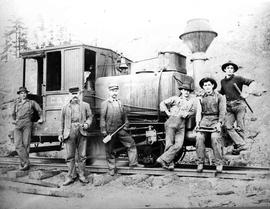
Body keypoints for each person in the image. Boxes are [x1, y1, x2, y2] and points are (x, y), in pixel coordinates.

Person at [100, 83, 143, 176]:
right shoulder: (105, 103)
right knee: (109, 150)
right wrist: (103, 131)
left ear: (118, 91)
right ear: (109, 92)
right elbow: (102, 118)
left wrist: (126, 123)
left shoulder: (120, 102)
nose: (114, 93)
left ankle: (133, 164)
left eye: (116, 91)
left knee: (131, 143)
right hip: (109, 131)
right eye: (112, 91)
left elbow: (124, 115)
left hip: (120, 129)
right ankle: (111, 169)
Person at [156, 83, 195, 170]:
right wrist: (168, 113)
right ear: (181, 91)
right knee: (169, 144)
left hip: (182, 124)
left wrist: (188, 114)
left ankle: (162, 159)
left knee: (179, 145)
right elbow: (162, 103)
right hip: (172, 121)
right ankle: (170, 163)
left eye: (188, 91)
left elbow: (193, 112)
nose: (186, 92)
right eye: (185, 90)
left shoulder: (190, 102)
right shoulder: (175, 98)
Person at [58, 87, 93, 186]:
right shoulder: (65, 107)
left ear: (79, 93)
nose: (74, 95)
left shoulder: (85, 105)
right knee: (70, 156)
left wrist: (87, 124)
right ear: (70, 95)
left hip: (82, 130)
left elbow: (90, 116)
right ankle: (70, 176)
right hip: (69, 132)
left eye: (76, 93)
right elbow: (61, 121)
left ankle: (82, 175)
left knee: (82, 156)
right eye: (72, 93)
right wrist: (60, 133)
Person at [220, 61, 255, 154]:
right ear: (224, 69)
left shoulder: (238, 78)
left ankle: (241, 150)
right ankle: (242, 144)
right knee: (228, 126)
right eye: (228, 68)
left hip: (240, 105)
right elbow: (221, 92)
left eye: (231, 68)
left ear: (234, 70)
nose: (229, 69)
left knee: (240, 127)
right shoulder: (222, 81)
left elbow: (252, 82)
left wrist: (247, 93)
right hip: (229, 107)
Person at [196, 77, 226, 173]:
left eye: (209, 85)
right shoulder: (201, 97)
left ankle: (219, 163)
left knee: (215, 138)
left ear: (212, 85)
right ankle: (200, 162)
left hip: (215, 120)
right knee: (199, 138)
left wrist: (219, 123)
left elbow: (222, 112)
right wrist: (197, 123)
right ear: (203, 87)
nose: (207, 87)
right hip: (204, 120)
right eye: (205, 85)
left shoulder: (220, 97)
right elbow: (199, 112)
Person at [12, 86, 43, 171]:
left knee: (26, 144)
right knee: (17, 144)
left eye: (25, 93)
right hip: (18, 124)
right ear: (19, 94)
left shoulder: (31, 102)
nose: (23, 95)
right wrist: (14, 120)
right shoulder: (16, 103)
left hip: (27, 123)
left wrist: (41, 118)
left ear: (27, 94)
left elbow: (39, 110)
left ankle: (23, 163)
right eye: (21, 93)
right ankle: (26, 162)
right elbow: (13, 114)